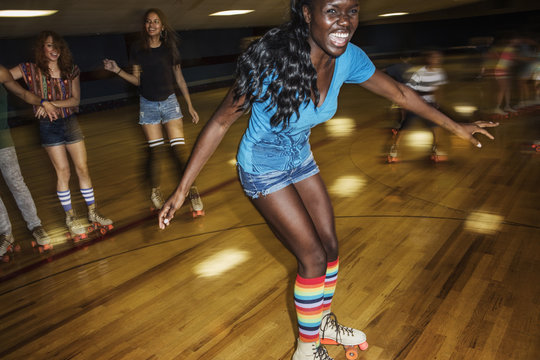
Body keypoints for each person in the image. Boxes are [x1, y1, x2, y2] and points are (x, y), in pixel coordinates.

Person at [158, 1, 498, 359]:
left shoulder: (349, 58)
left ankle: (320, 322)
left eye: (351, 11)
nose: (344, 21)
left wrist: (454, 126)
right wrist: (182, 191)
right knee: (313, 258)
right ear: (307, 14)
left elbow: (400, 93)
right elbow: (220, 122)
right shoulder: (271, 61)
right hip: (262, 167)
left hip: (300, 158)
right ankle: (306, 351)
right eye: (332, 10)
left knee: (331, 247)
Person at [10, 31, 112, 238]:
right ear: (42, 49)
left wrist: (48, 104)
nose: (54, 50)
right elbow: (6, 77)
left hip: (70, 123)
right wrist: (36, 102)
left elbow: (75, 101)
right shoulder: (29, 69)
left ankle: (93, 213)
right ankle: (71, 217)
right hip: (48, 126)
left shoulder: (71, 70)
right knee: (63, 172)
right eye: (49, 46)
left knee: (82, 168)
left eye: (57, 46)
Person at [103, 8, 200, 210]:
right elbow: (137, 80)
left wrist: (189, 105)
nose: (152, 25)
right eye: (148, 21)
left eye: (156, 21)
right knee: (155, 152)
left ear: (162, 26)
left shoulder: (170, 48)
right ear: (144, 26)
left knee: (177, 150)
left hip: (170, 103)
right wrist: (117, 70)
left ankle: (191, 190)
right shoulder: (137, 49)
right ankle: (155, 191)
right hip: (147, 105)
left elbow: (179, 78)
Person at [0, 65, 54, 258]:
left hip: (2, 141)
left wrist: (42, 102)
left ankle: (36, 225)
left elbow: (22, 93)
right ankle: (5, 233)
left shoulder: (1, 73)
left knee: (16, 183)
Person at [387, 50, 449, 162]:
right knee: (404, 128)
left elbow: (438, 89)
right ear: (428, 59)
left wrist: (437, 102)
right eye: (434, 58)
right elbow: (410, 89)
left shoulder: (440, 73)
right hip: (415, 105)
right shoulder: (419, 73)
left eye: (438, 58)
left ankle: (436, 148)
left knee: (436, 126)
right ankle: (394, 149)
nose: (437, 60)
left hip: (429, 105)